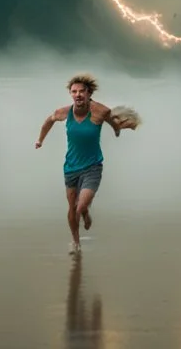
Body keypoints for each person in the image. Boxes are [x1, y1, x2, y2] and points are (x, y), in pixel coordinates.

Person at [35, 73, 135, 254]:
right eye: (74, 92)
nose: (78, 94)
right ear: (70, 94)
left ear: (89, 93)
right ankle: (76, 241)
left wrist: (117, 130)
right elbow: (47, 123)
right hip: (70, 167)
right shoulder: (64, 112)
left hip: (92, 167)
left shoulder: (100, 111)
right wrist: (40, 140)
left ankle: (85, 210)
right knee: (72, 208)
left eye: (82, 91)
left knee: (80, 207)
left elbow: (111, 121)